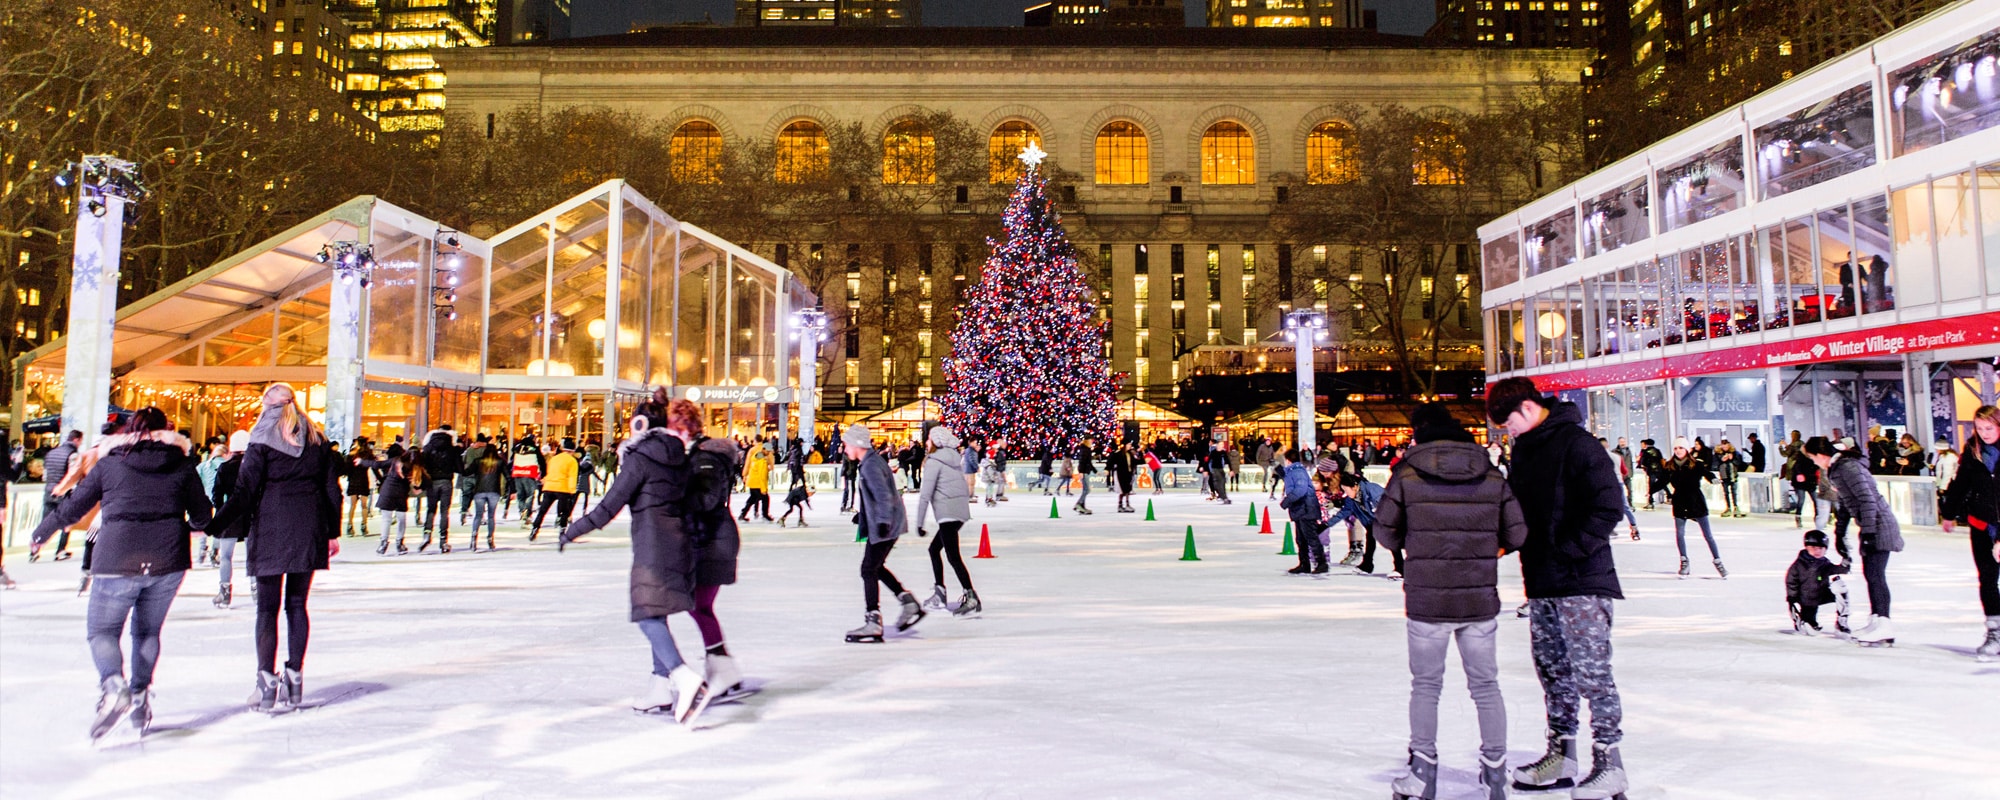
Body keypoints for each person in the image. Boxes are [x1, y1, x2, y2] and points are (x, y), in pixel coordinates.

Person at [28, 407, 212, 740]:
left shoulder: (110, 464)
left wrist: (41, 533)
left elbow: (73, 508)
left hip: (117, 558)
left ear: (128, 430)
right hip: (167, 559)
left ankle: (114, 686)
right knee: (148, 632)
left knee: (102, 631)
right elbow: (202, 516)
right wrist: (185, 527)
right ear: (167, 432)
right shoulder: (183, 464)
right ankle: (140, 698)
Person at [1485, 377, 1629, 800]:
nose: (1506, 431)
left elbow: (1608, 505)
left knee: (1592, 673)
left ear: (1528, 409)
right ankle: (1562, 755)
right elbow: (1523, 514)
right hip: (1543, 582)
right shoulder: (1527, 450)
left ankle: (1609, 762)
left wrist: (1569, 551)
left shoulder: (1579, 444)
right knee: (1553, 672)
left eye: (1507, 422)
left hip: (1582, 581)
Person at [1377, 401, 1529, 800]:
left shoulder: (1407, 473)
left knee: (1426, 686)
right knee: (1486, 686)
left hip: (1427, 599)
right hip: (1478, 599)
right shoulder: (1491, 473)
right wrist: (1486, 551)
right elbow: (1516, 533)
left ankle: (1423, 772)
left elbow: (1385, 531)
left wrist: (1415, 547)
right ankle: (1495, 771)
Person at [557, 393, 714, 727]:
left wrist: (573, 530)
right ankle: (659, 687)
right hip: (681, 544)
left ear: (639, 425)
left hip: (654, 547)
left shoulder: (639, 458)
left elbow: (610, 504)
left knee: (647, 614)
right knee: (657, 611)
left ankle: (682, 677)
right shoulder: (679, 455)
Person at [209, 383, 342, 714]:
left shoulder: (261, 440)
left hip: (270, 529)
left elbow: (244, 491)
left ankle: (267, 681)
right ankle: (294, 677)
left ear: (267, 405)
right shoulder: (317, 440)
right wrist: (332, 532)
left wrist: (213, 525)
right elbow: (331, 490)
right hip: (309, 528)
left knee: (267, 609)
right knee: (297, 605)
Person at [1806, 435, 1903, 647]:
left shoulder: (1847, 468)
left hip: (1880, 525)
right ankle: (1877, 620)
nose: (1814, 462)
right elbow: (1846, 504)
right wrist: (1840, 533)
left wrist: (1868, 533)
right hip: (1873, 525)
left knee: (1876, 575)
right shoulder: (1837, 469)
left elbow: (1867, 499)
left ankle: (1884, 624)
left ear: (1821, 456)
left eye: (1813, 458)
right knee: (1871, 575)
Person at [843, 423, 925, 642]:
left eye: (846, 444)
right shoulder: (871, 462)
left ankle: (873, 621)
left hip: (886, 524)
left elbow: (883, 495)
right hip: (887, 522)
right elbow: (881, 493)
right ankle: (908, 603)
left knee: (868, 569)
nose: (844, 449)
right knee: (875, 567)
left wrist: (880, 521)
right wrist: (864, 515)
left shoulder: (870, 465)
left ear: (857, 444)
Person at [1942, 406, 2000, 662]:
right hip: (1981, 525)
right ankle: (1995, 634)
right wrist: (1949, 513)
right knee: (1987, 579)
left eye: (1989, 428)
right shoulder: (1972, 450)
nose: (1984, 433)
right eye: (1979, 428)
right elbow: (1961, 483)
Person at [912, 425, 979, 616]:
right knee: (934, 550)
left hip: (947, 513)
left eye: (929, 439)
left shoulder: (934, 462)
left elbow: (925, 494)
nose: (926, 442)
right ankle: (940, 592)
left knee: (952, 556)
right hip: (959, 512)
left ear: (935, 442)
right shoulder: (953, 459)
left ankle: (971, 596)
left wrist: (919, 523)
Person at [1664, 438, 1728, 579]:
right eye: (1675, 448)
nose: (1678, 451)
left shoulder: (1696, 465)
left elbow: (1706, 473)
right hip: (1680, 503)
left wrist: (1713, 479)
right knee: (1680, 534)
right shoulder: (1670, 466)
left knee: (1708, 535)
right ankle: (1684, 563)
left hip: (1696, 502)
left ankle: (1718, 562)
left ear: (1687, 449)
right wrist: (1650, 491)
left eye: (1681, 448)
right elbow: (1662, 480)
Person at [208, 431, 252, 608]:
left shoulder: (224, 467)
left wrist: (221, 512)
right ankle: (256, 589)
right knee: (253, 555)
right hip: (251, 515)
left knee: (226, 556)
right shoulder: (253, 467)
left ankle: (224, 592)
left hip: (230, 514)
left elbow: (216, 494)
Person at [1785, 530, 1851, 636]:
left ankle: (1842, 621)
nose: (1817, 551)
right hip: (1806, 598)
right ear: (1806, 547)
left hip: (1821, 593)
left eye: (1821, 548)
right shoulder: (1799, 565)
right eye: (1813, 548)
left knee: (1840, 589)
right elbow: (1791, 581)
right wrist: (1792, 598)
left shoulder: (1824, 562)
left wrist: (1844, 566)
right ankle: (1804, 622)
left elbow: (1834, 569)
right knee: (1809, 620)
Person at [1329, 471, 1394, 576]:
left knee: (1393, 541)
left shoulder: (1372, 491)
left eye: (1346, 490)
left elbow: (1388, 505)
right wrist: (1326, 525)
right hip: (1374, 522)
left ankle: (1400, 567)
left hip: (1389, 519)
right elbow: (1344, 512)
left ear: (1354, 487)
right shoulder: (1352, 499)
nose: (1345, 493)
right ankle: (1367, 564)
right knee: (1371, 538)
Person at [1277, 448, 1325, 575]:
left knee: (1310, 537)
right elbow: (1291, 481)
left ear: (1287, 460)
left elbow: (1300, 489)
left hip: (1306, 508)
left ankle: (1321, 563)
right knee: (1301, 539)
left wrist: (1287, 501)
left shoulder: (1297, 471)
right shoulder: (1293, 471)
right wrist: (1280, 472)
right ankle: (1304, 563)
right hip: (1300, 509)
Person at [38, 430, 83, 561]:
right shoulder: (73, 455)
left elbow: (45, 475)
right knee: (66, 521)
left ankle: (35, 549)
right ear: (76, 440)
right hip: (64, 492)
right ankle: (60, 550)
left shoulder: (51, 453)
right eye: (80, 441)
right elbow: (73, 475)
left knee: (45, 521)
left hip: (48, 491)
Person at [368, 447, 420, 555]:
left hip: (388, 491)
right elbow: (424, 480)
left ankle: (383, 544)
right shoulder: (415, 467)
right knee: (401, 519)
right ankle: (399, 543)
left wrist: (362, 461)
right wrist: (419, 489)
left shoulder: (396, 461)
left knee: (386, 519)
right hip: (400, 494)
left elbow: (377, 465)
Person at [418, 426, 462, 551]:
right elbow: (459, 468)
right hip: (446, 481)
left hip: (432, 482)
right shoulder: (452, 449)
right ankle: (443, 540)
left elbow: (422, 465)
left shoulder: (428, 448)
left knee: (431, 509)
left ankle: (427, 534)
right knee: (444, 512)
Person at [531, 438, 580, 541]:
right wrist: (572, 491)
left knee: (542, 511)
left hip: (549, 486)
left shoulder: (554, 459)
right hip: (563, 488)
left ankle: (535, 528)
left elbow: (549, 472)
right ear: (572, 451)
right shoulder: (572, 461)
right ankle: (562, 530)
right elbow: (572, 477)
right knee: (565, 511)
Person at [467, 445, 504, 551]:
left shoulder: (478, 461)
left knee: (478, 515)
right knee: (491, 516)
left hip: (479, 490)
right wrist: (512, 490)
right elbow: (507, 475)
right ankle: (490, 538)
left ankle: (474, 537)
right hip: (494, 491)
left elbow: (467, 472)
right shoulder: (500, 462)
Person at [1785, 432, 1821, 529]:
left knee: (1816, 500)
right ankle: (1798, 517)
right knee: (1801, 500)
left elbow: (1816, 466)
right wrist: (1799, 474)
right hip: (1800, 482)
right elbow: (1797, 467)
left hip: (1810, 481)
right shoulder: (1801, 456)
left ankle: (1817, 518)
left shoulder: (1814, 456)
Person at [457, 433, 491, 526]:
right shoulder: (486, 450)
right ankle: (481, 517)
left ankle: (463, 513)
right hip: (480, 476)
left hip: (467, 476)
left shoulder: (469, 449)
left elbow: (463, 460)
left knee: (466, 495)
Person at [342, 440, 375, 536]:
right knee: (364, 505)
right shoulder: (367, 455)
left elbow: (346, 469)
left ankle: (349, 525)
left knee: (353, 505)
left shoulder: (351, 455)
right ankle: (364, 526)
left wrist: (347, 457)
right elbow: (373, 466)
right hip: (363, 481)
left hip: (353, 481)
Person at [738, 444, 773, 522]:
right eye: (767, 451)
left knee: (752, 499)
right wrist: (763, 489)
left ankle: (743, 514)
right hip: (758, 483)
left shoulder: (755, 457)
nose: (768, 453)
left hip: (752, 482)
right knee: (765, 499)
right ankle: (765, 515)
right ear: (763, 449)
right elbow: (762, 475)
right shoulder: (762, 461)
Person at [1934, 438, 1960, 533]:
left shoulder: (1949, 458)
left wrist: (1943, 487)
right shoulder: (1944, 457)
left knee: (1947, 502)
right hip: (1947, 483)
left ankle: (1950, 520)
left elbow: (1947, 473)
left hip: (1949, 484)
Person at [1714, 439, 1743, 518]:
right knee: (1726, 493)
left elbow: (1739, 463)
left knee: (1734, 492)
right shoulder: (1718, 454)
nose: (1724, 446)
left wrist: (1732, 459)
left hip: (1733, 475)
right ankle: (1728, 508)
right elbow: (1715, 464)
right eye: (1723, 445)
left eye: (1726, 445)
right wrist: (1721, 460)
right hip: (1724, 476)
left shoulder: (1735, 453)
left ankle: (1736, 507)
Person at [1110, 441, 1137, 513]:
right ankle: (1120, 505)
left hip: (1128, 474)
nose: (1130, 446)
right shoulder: (1118, 454)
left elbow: (1135, 462)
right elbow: (1111, 461)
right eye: (1129, 444)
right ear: (1125, 445)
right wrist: (1107, 469)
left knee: (1128, 490)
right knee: (1122, 491)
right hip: (1121, 474)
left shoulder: (1130, 454)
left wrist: (1144, 460)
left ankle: (1127, 504)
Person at [1638, 438, 1665, 510]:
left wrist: (1644, 466)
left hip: (1651, 471)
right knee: (1662, 483)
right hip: (1659, 470)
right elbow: (1661, 460)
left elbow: (1643, 462)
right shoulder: (1657, 450)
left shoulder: (1645, 452)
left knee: (1651, 487)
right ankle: (1669, 496)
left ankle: (1651, 502)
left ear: (1647, 444)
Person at [1073, 437, 1097, 514]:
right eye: (1090, 440)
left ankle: (1082, 506)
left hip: (1086, 471)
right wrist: (1081, 472)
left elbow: (1089, 462)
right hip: (1084, 472)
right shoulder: (1084, 450)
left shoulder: (1087, 449)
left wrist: (1095, 471)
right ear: (1087, 441)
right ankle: (1079, 504)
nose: (1092, 441)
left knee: (1085, 490)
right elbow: (1082, 461)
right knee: (1087, 490)